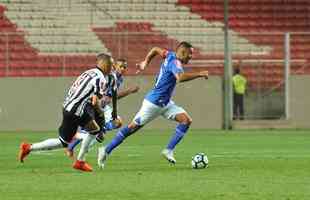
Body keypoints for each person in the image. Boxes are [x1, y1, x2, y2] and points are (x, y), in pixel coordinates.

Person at [97, 41, 209, 168]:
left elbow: (155, 49)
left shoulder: (170, 55)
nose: (191, 57)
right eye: (190, 54)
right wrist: (199, 74)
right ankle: (105, 150)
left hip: (165, 103)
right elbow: (180, 77)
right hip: (153, 103)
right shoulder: (175, 62)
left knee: (186, 120)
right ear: (183, 52)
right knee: (131, 128)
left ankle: (168, 150)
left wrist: (146, 62)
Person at [18, 53, 113, 172]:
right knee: (85, 134)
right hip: (76, 110)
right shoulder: (101, 78)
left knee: (86, 132)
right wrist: (101, 115)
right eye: (111, 64)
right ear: (104, 64)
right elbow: (95, 101)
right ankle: (79, 161)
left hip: (70, 106)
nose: (112, 67)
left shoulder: (88, 72)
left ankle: (30, 148)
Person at [65, 58, 140, 158]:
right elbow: (109, 96)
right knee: (93, 129)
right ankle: (72, 146)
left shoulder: (119, 79)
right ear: (114, 67)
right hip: (96, 104)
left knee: (116, 123)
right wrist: (129, 91)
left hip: (104, 106)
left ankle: (95, 133)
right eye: (120, 66)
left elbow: (112, 97)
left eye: (124, 67)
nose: (123, 69)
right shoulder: (109, 76)